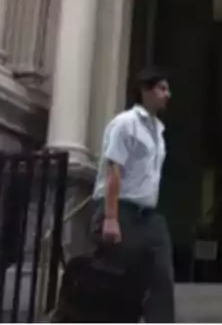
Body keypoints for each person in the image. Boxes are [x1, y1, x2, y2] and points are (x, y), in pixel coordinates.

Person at [91, 67, 175, 322]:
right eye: (161, 88)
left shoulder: (159, 131)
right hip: (123, 211)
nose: (167, 95)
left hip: (149, 216)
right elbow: (113, 169)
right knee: (121, 285)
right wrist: (111, 217)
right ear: (145, 91)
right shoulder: (125, 123)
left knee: (162, 279)